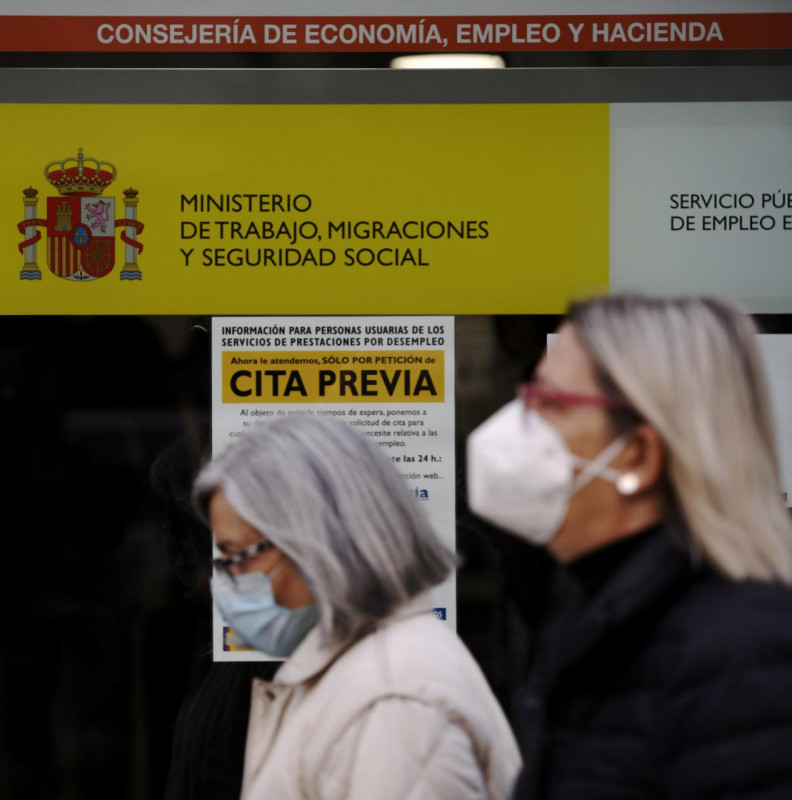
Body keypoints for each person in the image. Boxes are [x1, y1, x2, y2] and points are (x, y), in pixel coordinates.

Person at [467, 295, 792, 799]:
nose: (516, 424)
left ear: (638, 456)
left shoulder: (742, 652)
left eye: (549, 402)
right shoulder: (598, 611)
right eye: (526, 393)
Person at [194, 416, 521, 799]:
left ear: (316, 543)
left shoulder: (394, 703)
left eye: (240, 556)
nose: (227, 579)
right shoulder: (359, 668)